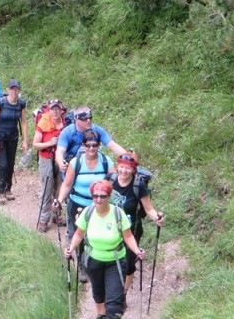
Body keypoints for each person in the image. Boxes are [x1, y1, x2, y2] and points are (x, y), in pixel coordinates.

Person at [64, 180, 146, 319]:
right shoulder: (88, 212)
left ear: (108, 197)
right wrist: (70, 248)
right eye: (95, 196)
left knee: (114, 303)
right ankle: (101, 315)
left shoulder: (118, 213)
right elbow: (79, 233)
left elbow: (128, 236)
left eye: (102, 196)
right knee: (99, 293)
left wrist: (137, 250)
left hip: (116, 261)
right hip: (93, 260)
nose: (98, 199)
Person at [53, 129, 117, 283]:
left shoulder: (107, 162)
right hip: (79, 204)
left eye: (94, 145)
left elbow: (114, 185)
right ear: (83, 145)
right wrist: (59, 200)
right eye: (88, 145)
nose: (91, 148)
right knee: (80, 235)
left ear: (99, 145)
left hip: (100, 206)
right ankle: (82, 265)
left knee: (98, 234)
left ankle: (98, 263)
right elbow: (67, 185)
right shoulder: (76, 163)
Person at [107, 151, 164, 295]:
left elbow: (149, 208)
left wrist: (157, 217)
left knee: (128, 264)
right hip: (110, 228)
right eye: (121, 167)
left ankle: (123, 293)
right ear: (117, 166)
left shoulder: (138, 185)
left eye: (128, 168)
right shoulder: (109, 180)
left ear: (133, 169)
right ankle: (111, 290)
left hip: (132, 230)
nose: (123, 170)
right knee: (109, 262)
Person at [55, 105, 126, 178]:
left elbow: (113, 146)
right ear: (76, 120)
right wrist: (61, 163)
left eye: (90, 117)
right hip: (72, 167)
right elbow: (59, 151)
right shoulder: (67, 132)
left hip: (93, 164)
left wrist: (128, 157)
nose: (88, 120)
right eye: (84, 119)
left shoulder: (97, 129)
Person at [32, 99, 67, 232]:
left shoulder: (66, 123)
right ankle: (43, 219)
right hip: (46, 159)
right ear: (49, 110)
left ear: (62, 110)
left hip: (61, 160)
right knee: (47, 189)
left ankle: (56, 215)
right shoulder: (44, 122)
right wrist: (50, 143)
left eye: (58, 108)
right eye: (53, 109)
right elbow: (35, 144)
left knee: (59, 188)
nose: (55, 111)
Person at [0, 80, 28, 204]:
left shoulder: (21, 104)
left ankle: (8, 189)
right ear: (7, 90)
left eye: (16, 89)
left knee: (11, 164)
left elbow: (23, 122)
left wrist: (25, 141)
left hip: (13, 137)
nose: (14, 91)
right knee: (3, 164)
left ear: (19, 90)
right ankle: (0, 191)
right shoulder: (0, 102)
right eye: (12, 89)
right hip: (1, 137)